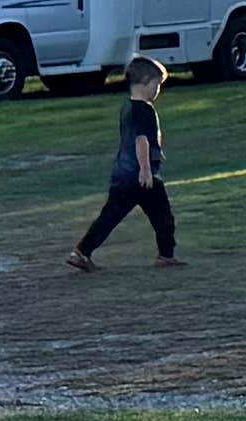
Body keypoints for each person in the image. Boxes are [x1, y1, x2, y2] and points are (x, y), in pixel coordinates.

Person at [73, 47, 177, 270]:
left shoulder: (127, 108)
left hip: (122, 174)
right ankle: (166, 256)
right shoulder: (145, 110)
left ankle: (81, 252)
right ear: (145, 82)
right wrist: (146, 170)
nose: (158, 90)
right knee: (163, 217)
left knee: (109, 217)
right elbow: (141, 141)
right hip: (141, 176)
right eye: (157, 85)